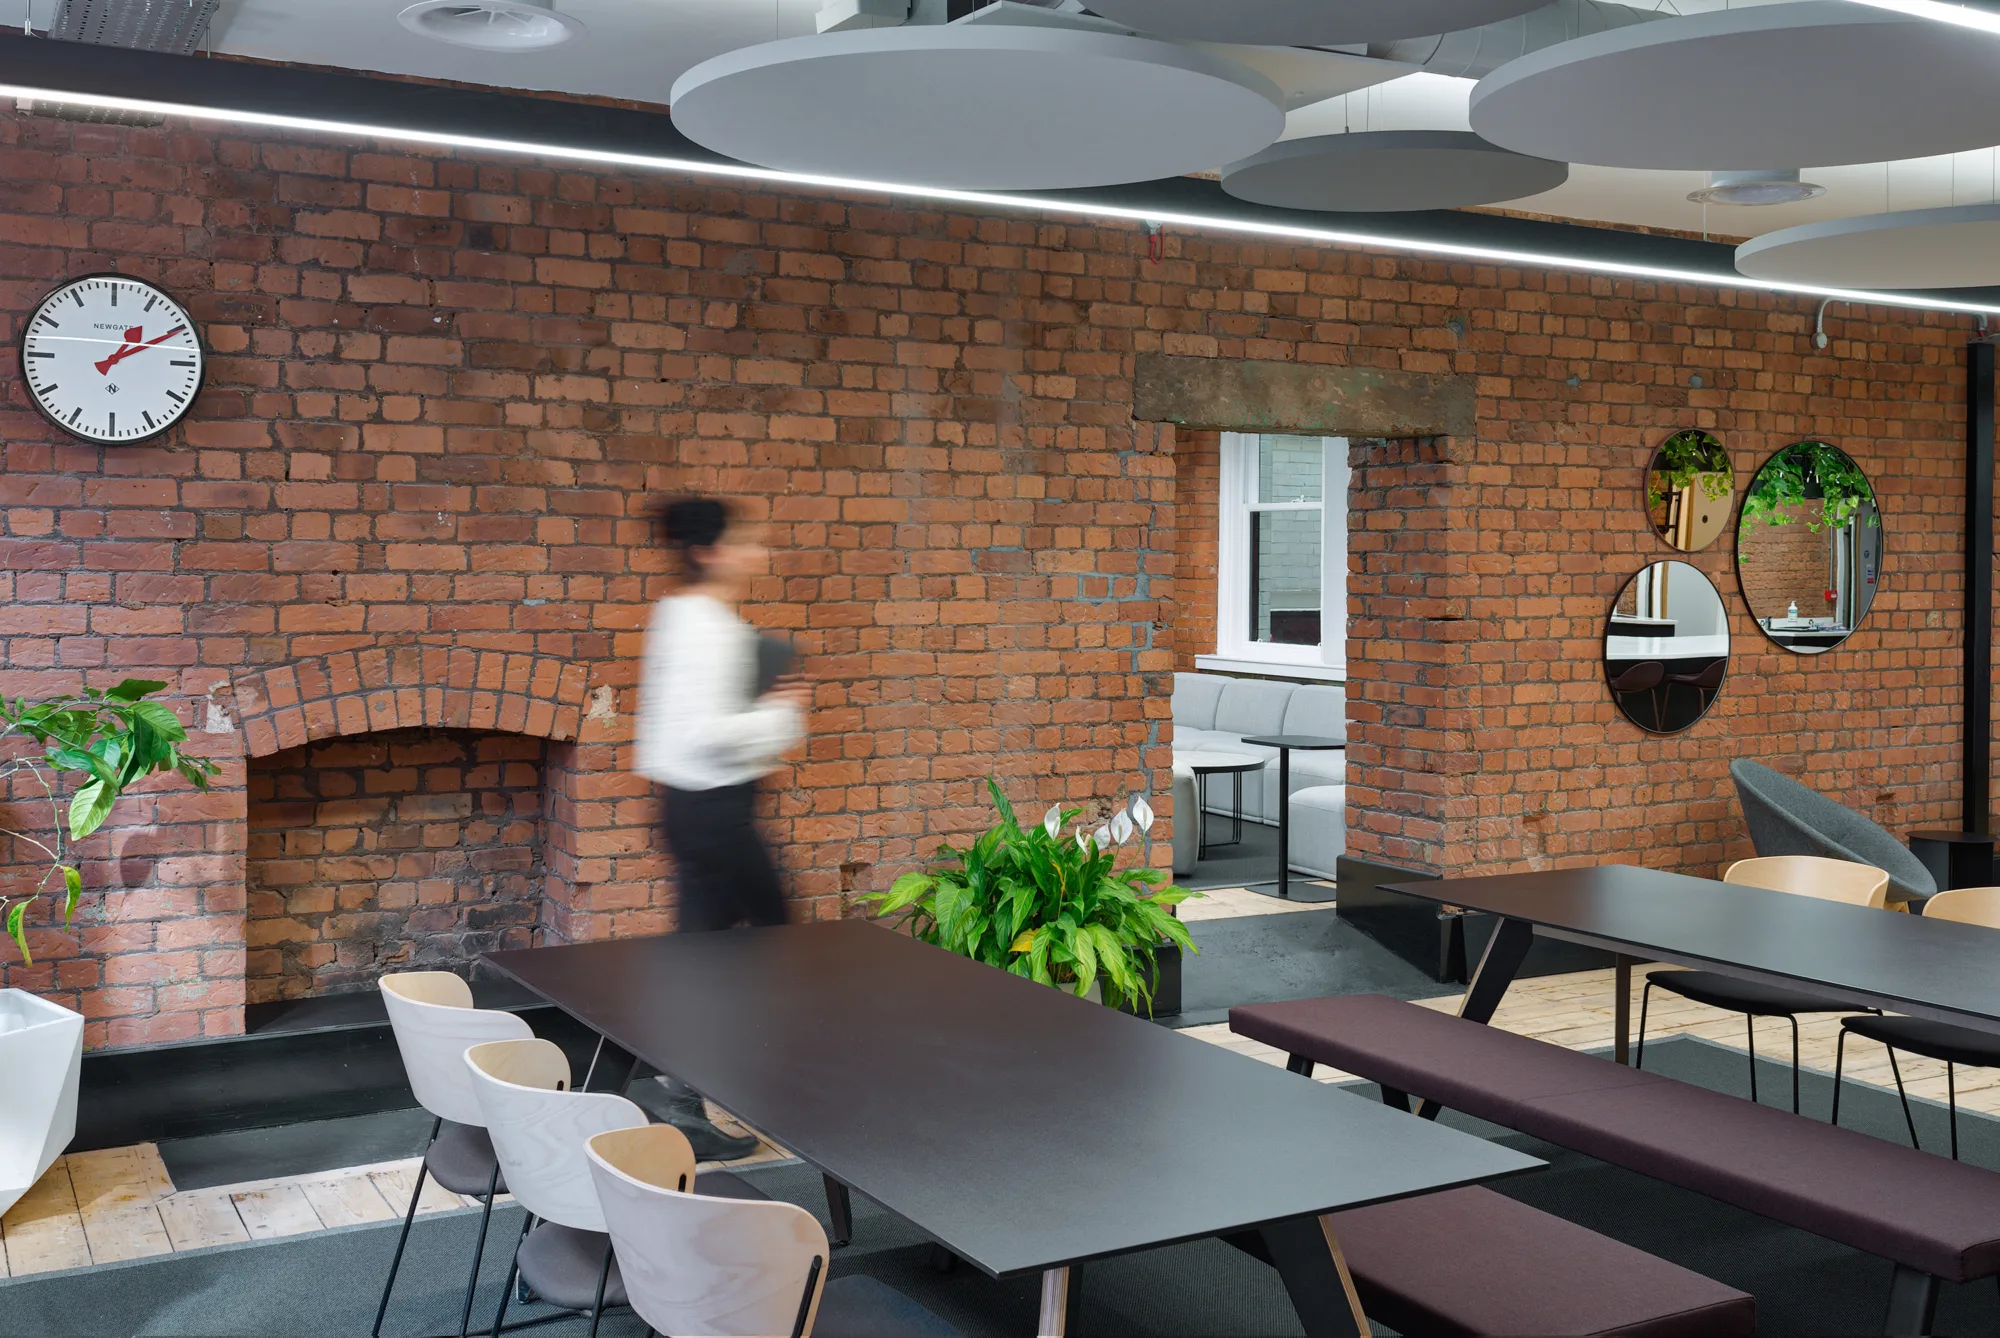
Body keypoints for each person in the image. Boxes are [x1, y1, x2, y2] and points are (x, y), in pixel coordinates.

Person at [628, 495, 809, 1159]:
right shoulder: (708, 628)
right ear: (708, 550)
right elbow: (707, 737)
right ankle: (763, 1090)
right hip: (714, 809)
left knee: (704, 954)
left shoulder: (680, 617)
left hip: (689, 808)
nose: (756, 553)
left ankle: (678, 1091)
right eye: (744, 541)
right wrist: (783, 713)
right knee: (776, 945)